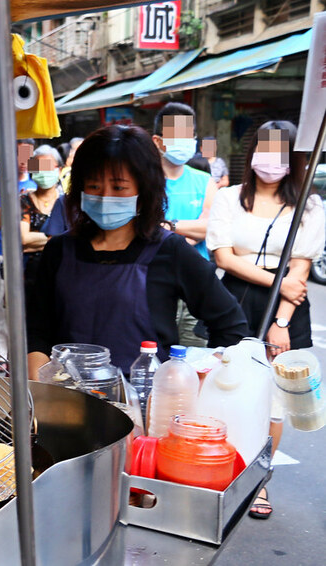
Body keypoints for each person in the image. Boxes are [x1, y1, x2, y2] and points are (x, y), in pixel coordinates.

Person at [26, 125, 248, 379]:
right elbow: (37, 330)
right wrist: (40, 389)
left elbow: (231, 327)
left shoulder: (171, 251)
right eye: (94, 186)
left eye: (119, 188)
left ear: (145, 189)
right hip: (66, 394)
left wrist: (192, 382)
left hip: (145, 397)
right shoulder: (59, 250)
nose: (105, 196)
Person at [207, 121, 325, 520]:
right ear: (252, 152)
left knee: (272, 401)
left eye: (280, 152)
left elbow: (301, 269)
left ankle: (258, 480)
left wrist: (282, 320)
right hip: (232, 299)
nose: (271, 159)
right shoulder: (228, 197)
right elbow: (224, 258)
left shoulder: (310, 205)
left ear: (294, 159)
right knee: (224, 386)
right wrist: (280, 283)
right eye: (264, 149)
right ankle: (218, 470)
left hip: (285, 308)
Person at [151, 102, 218, 347]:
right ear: (158, 141)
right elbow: (145, 229)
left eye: (188, 135)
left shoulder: (205, 181)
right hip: (153, 282)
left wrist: (169, 227)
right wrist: (190, 230)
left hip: (195, 284)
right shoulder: (145, 181)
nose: (184, 141)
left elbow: (211, 227)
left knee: (194, 357)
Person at [0, 139, 37, 360]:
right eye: (19, 155)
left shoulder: (39, 183)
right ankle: (1, 355)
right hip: (5, 253)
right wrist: (15, 201)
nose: (23, 161)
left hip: (34, 256)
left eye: (28, 155)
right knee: (4, 305)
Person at [20, 145, 61, 290]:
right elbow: (23, 239)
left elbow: (73, 238)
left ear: (58, 169)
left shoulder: (66, 201)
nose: (43, 172)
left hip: (60, 270)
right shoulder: (24, 200)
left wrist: (35, 241)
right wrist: (57, 237)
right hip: (30, 272)